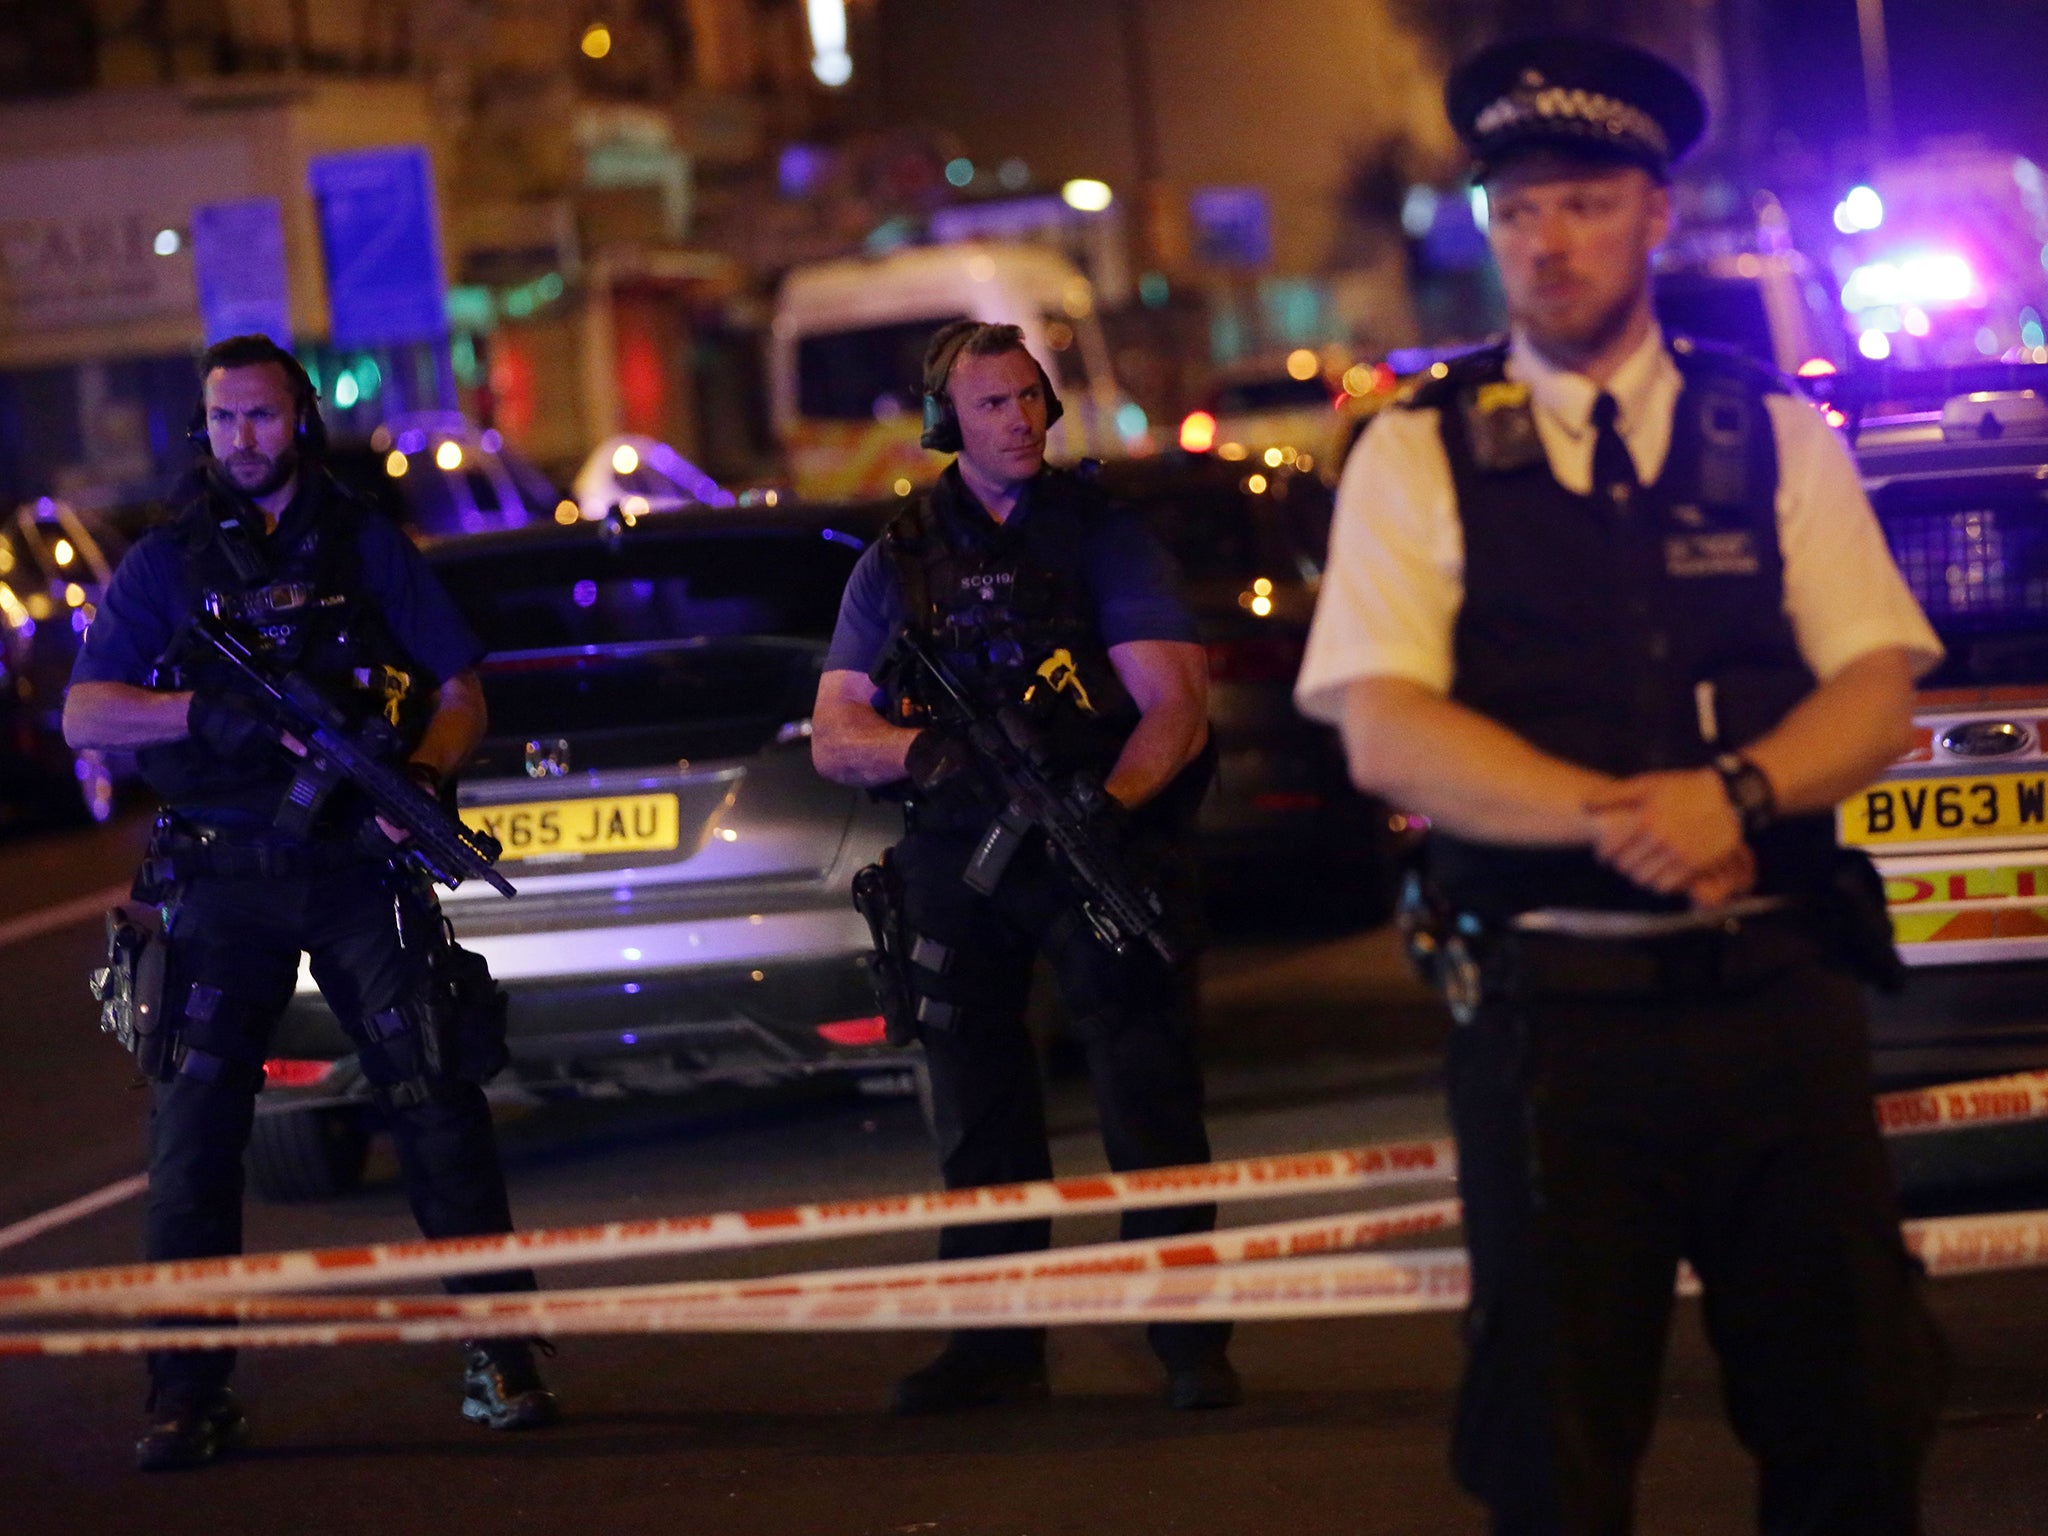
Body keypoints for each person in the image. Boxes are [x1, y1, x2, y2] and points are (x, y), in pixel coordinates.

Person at [1295, 34, 1949, 1534]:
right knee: (1553, 1452)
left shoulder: (1771, 432)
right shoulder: (1416, 453)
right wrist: (1639, 819)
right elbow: (1385, 728)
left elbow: (1874, 687)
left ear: (1658, 213)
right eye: (1516, 211)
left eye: (1584, 202)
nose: (1547, 240)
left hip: (1779, 1003)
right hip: (1552, 1031)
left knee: (1855, 1418)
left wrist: (1735, 795)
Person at [64, 335, 557, 1471]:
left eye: (265, 417)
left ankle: (504, 1356)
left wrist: (424, 777)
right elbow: (88, 715)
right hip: (222, 873)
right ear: (205, 429)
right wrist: (202, 719)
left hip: (352, 865)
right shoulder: (166, 565)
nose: (246, 438)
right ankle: (186, 1394)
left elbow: (461, 687)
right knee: (193, 1136)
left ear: (301, 422)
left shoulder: (363, 543)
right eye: (226, 419)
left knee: (436, 1098)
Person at [810, 321, 1239, 1413]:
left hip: (1093, 840)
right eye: (992, 403)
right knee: (975, 1107)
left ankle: (1187, 1341)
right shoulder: (896, 557)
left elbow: (1173, 707)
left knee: (1145, 1094)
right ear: (944, 420)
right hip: (961, 854)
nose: (1020, 420)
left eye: (1030, 398)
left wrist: (1104, 808)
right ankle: (995, 1346)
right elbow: (833, 733)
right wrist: (929, 752)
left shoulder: (1101, 535)